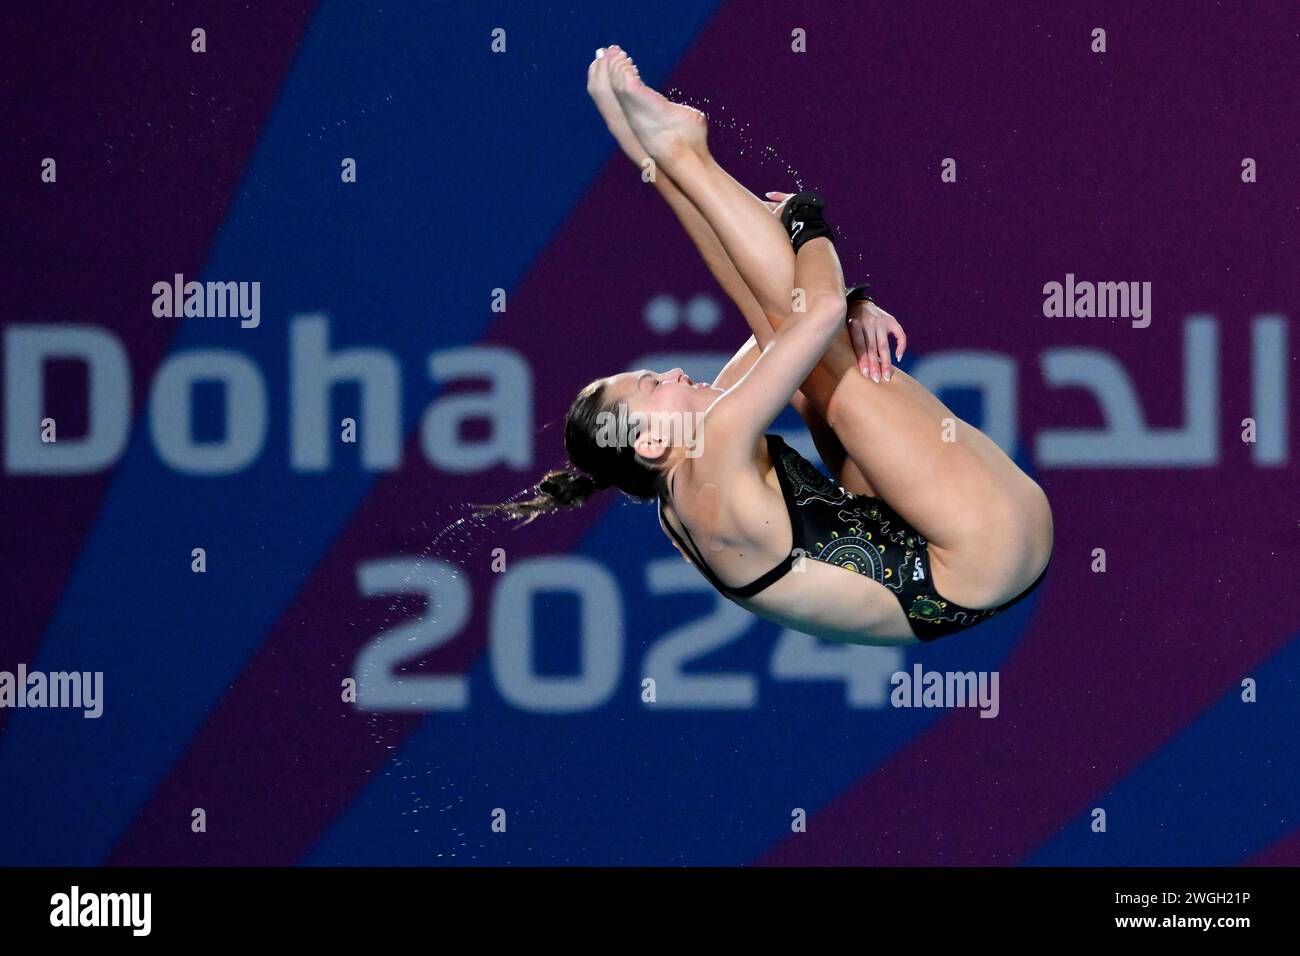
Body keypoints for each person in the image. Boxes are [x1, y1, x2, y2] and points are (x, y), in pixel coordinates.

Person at [478, 47, 1052, 646]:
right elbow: (818, 309)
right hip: (983, 550)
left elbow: (779, 330)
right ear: (648, 440)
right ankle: (680, 153)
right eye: (652, 386)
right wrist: (808, 222)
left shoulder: (682, 492)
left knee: (800, 347)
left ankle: (664, 155)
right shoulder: (716, 450)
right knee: (835, 371)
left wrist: (644, 152)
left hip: (960, 575)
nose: (673, 373)